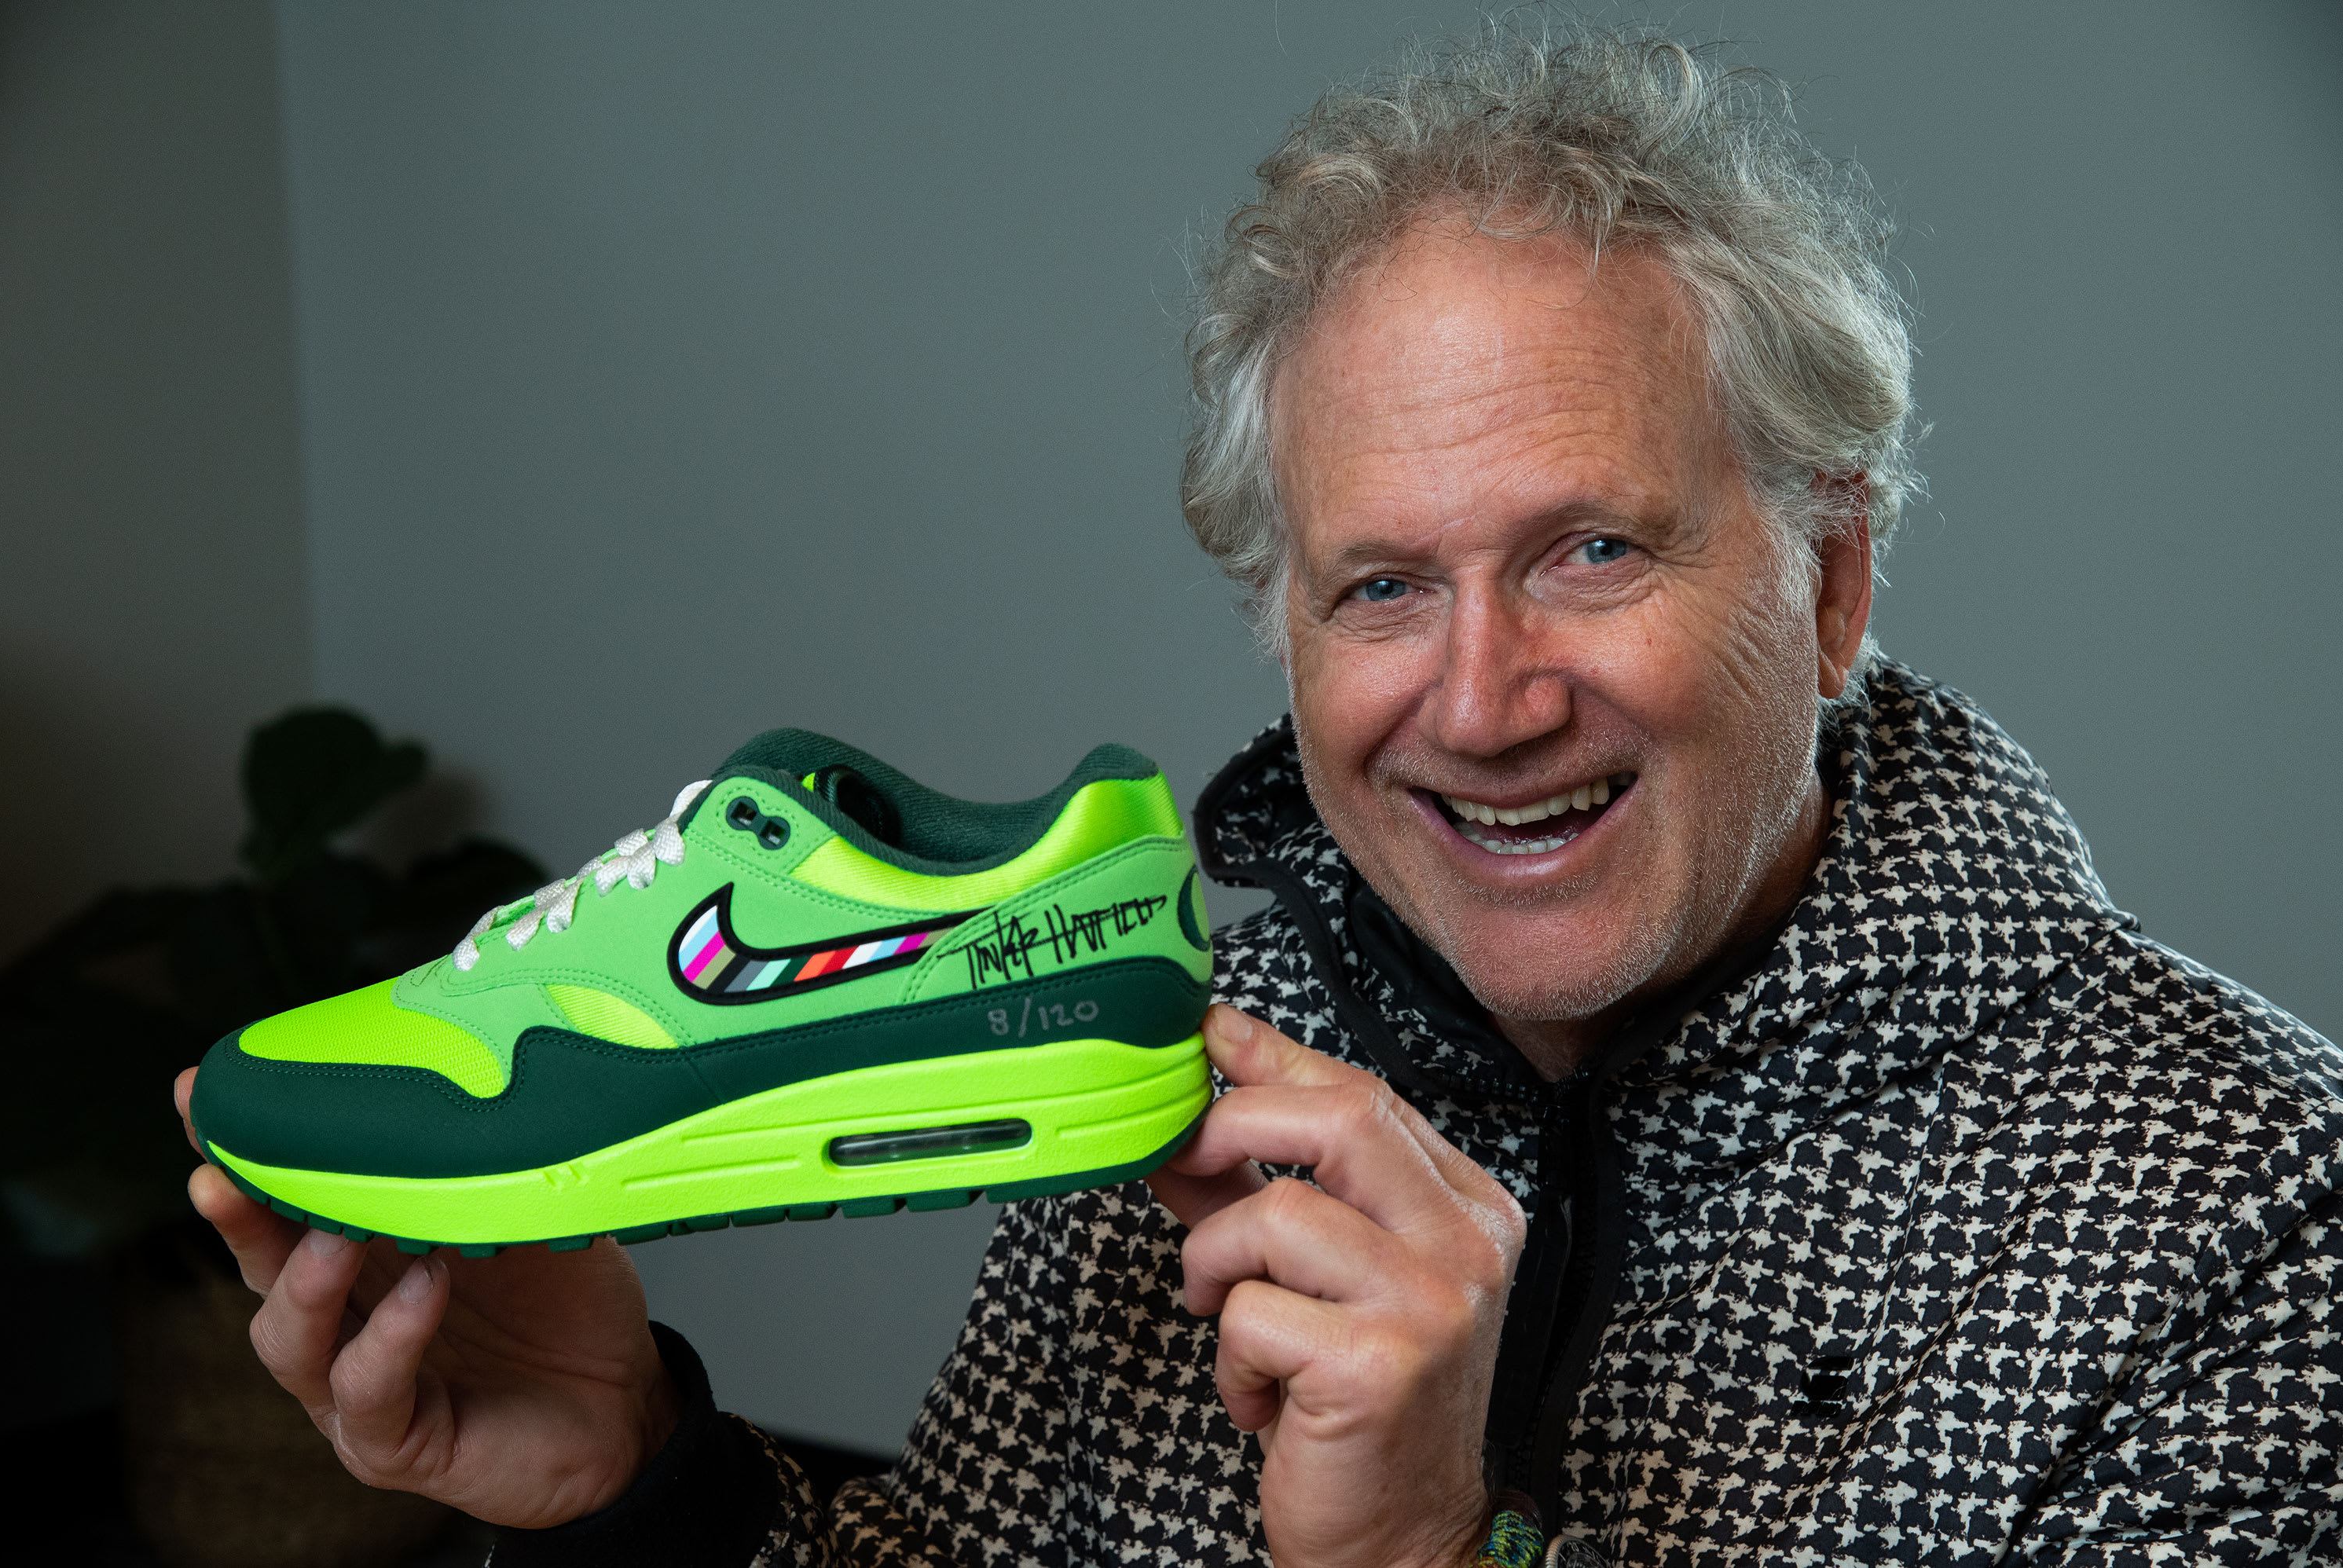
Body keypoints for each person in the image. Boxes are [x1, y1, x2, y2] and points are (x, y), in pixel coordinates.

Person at [172, 18, 2343, 1567]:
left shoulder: (2253, 1212)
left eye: (1591, 547)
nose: (1482, 698)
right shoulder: (1189, 1049)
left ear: (1835, 578)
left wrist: (1431, 1550)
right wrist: (643, 1488)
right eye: (1381, 583)